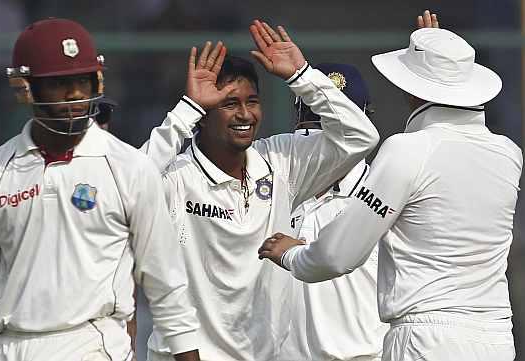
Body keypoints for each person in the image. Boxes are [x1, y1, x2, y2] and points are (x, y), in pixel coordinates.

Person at [258, 14, 522, 361]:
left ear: (413, 90)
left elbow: (337, 256)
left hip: (425, 341)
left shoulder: (406, 150)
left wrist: (291, 254)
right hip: (496, 338)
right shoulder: (509, 153)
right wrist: (436, 58)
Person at [0, 18, 200, 361]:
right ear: (25, 88)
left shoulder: (129, 166)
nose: (75, 93)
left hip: (94, 344)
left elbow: (166, 283)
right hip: (10, 347)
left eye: (82, 81)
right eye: (59, 83)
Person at [146, 20, 379, 361]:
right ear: (203, 114)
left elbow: (361, 137)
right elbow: (128, 184)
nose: (244, 114)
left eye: (252, 101)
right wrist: (186, 110)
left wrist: (301, 76)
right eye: (228, 104)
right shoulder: (177, 176)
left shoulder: (280, 161)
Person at [283, 62, 389, 361]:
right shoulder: (275, 184)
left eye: (335, 129)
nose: (323, 141)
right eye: (315, 126)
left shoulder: (385, 194)